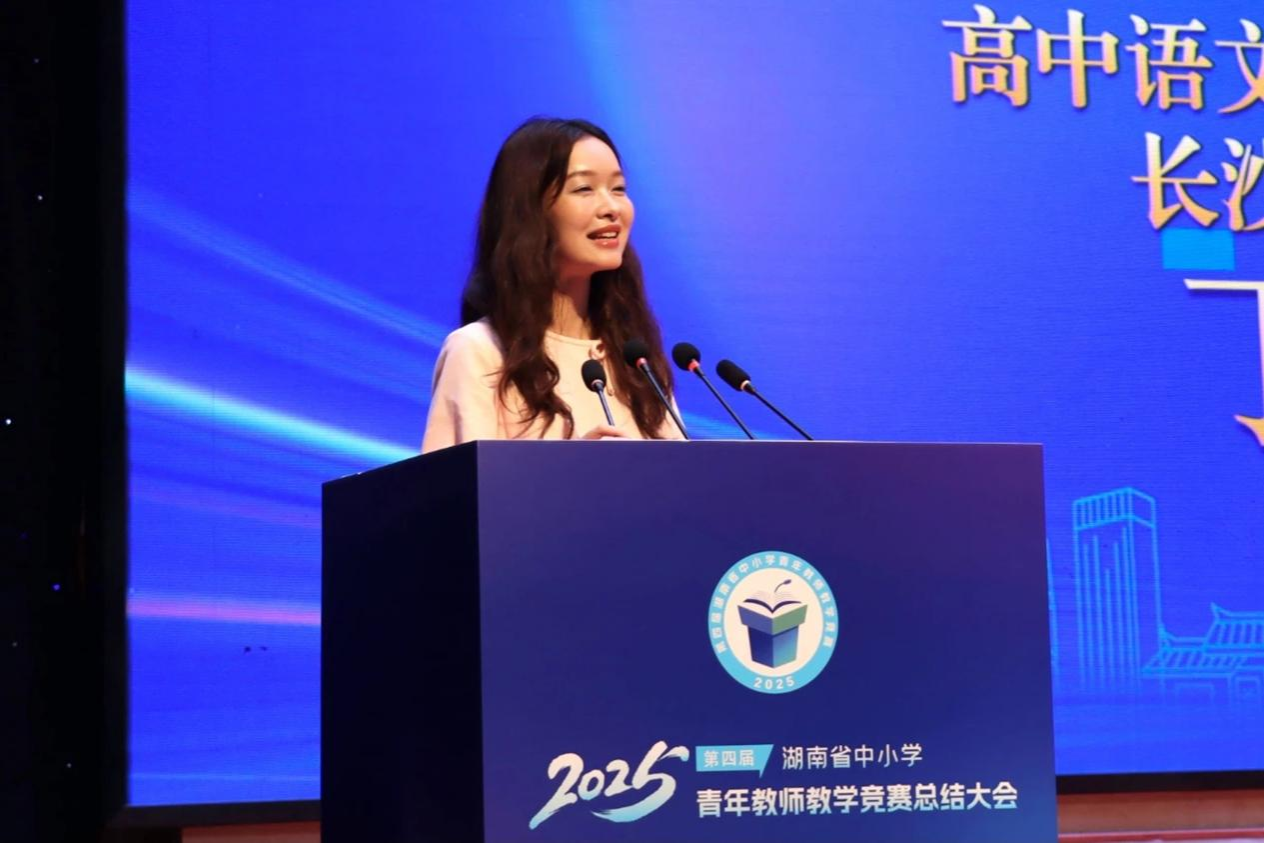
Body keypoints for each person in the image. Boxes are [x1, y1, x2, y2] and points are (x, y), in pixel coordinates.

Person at [421, 117, 681, 453]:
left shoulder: (636, 358)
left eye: (618, 188)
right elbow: (460, 486)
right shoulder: (479, 352)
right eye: (584, 189)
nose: (611, 208)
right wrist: (571, 472)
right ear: (530, 211)